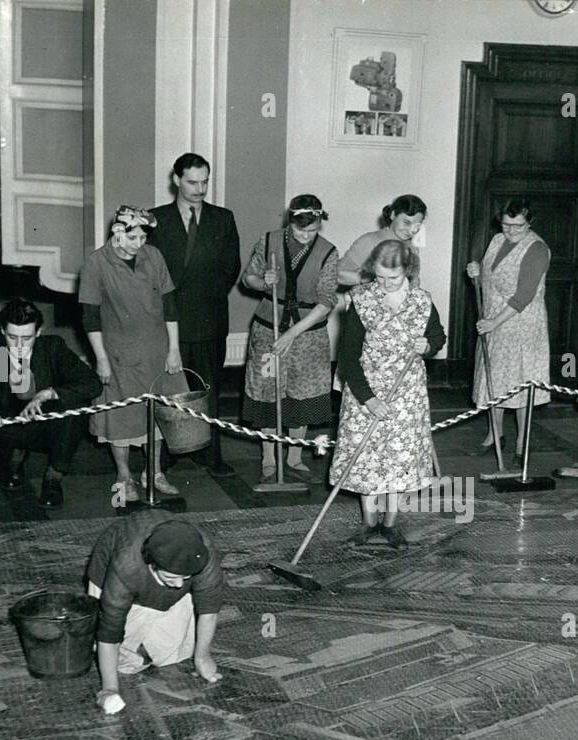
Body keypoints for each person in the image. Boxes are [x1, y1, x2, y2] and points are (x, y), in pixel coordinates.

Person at [332, 239, 446, 547]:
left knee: (399, 462)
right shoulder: (362, 299)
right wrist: (368, 398)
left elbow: (437, 335)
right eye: (379, 277)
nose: (384, 284)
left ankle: (390, 525)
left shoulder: (422, 301)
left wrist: (429, 345)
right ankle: (369, 524)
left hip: (406, 394)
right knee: (367, 460)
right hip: (365, 391)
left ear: (407, 271)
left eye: (392, 278)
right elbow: (347, 356)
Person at [0, 298, 101, 507]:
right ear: (2, 331)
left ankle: (53, 477)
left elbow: (92, 383)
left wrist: (50, 393)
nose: (19, 345)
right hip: (9, 426)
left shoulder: (53, 347)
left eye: (26, 338)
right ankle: (7, 471)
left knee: (74, 405)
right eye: (12, 337)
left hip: (48, 426)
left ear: (38, 332)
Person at [79, 205, 188, 503]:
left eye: (143, 238)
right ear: (117, 232)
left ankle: (153, 472)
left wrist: (174, 349)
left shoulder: (153, 256)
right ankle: (124, 475)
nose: (138, 245)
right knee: (121, 417)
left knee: (158, 417)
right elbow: (89, 317)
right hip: (117, 355)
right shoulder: (96, 263)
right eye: (132, 238)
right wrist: (100, 358)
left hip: (157, 350)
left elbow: (170, 304)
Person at [149, 153, 242, 477]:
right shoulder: (155, 219)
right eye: (192, 182)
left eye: (205, 182)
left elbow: (231, 268)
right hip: (167, 321)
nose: (200, 189)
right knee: (167, 390)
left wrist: (206, 296)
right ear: (176, 180)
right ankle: (167, 453)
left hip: (208, 319)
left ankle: (211, 454)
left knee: (209, 390)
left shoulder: (223, 218)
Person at [86, 510, 225, 714]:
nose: (179, 585)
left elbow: (209, 610)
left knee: (175, 654)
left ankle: (150, 630)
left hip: (155, 574)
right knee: (123, 664)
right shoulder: (126, 567)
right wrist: (110, 688)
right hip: (113, 575)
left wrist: (202, 656)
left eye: (185, 577)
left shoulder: (204, 555)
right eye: (171, 578)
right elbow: (109, 631)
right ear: (152, 564)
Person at [240, 195, 338, 481]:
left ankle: (294, 456)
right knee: (268, 392)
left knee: (302, 394)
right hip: (268, 329)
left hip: (308, 334)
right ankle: (268, 458)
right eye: (300, 231)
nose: (307, 236)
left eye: (313, 230)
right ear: (289, 222)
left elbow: (327, 301)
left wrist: (293, 333)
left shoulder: (328, 251)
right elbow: (248, 278)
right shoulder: (269, 241)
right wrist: (262, 281)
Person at [466, 197, 551, 457]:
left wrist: (494, 322)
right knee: (495, 381)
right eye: (506, 225)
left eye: (519, 226)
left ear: (530, 223)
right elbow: (491, 277)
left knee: (520, 385)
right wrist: (476, 272)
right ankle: (495, 435)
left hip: (521, 326)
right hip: (493, 323)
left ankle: (521, 444)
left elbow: (523, 296)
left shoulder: (536, 249)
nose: (512, 231)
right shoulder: (497, 240)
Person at [338, 194, 427, 287]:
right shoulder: (370, 240)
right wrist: (368, 277)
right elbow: (336, 274)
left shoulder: (412, 247)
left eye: (417, 225)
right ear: (393, 215)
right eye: (406, 222)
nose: (411, 230)